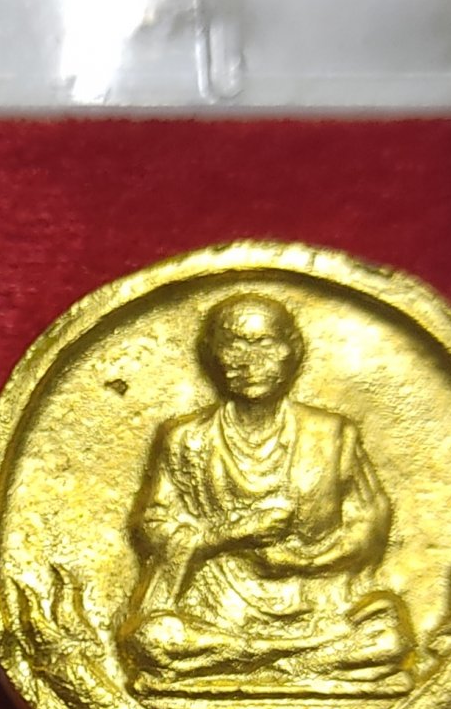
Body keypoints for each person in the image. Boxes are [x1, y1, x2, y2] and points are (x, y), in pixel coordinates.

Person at [117, 292, 413, 684]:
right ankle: (302, 659)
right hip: (217, 603)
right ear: (212, 356)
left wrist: (303, 562)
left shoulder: (333, 434)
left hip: (317, 598)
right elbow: (152, 526)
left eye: (264, 344)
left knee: (391, 639)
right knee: (150, 638)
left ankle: (258, 659)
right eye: (234, 344)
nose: (249, 360)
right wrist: (227, 534)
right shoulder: (185, 438)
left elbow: (369, 526)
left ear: (294, 352)